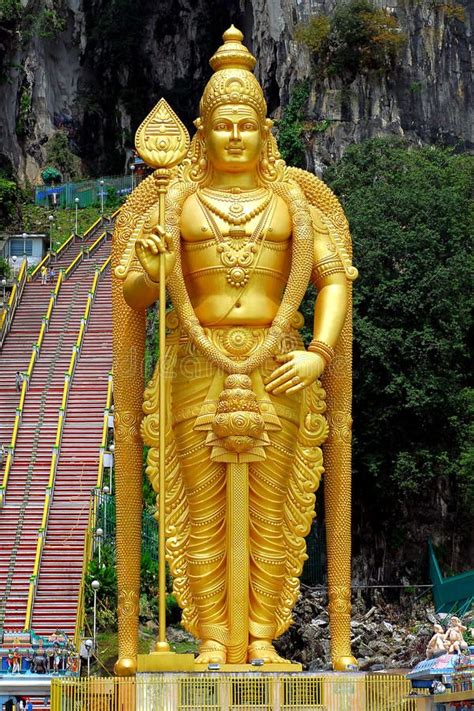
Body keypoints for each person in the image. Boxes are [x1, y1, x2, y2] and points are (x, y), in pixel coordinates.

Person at [114, 26, 357, 671]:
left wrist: (320, 352)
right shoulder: (177, 204)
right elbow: (135, 295)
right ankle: (212, 636)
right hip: (196, 368)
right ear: (202, 132)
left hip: (281, 369)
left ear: (265, 132)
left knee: (275, 510)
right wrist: (151, 268)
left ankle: (260, 635)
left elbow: (333, 277)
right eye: (223, 125)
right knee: (200, 510)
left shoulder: (294, 206)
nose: (235, 137)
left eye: (247, 124)